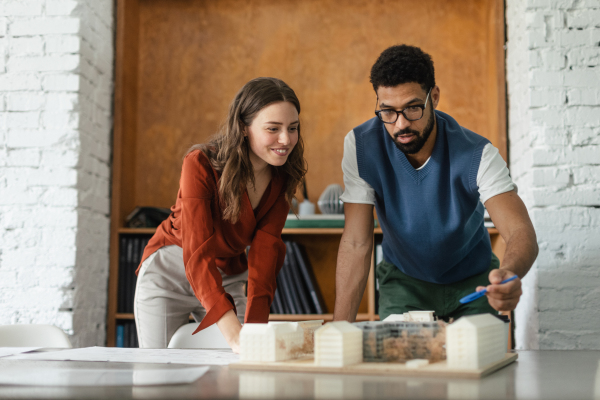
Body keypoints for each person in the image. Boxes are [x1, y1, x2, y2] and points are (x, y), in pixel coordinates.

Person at [333, 45, 538, 322]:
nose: (400, 124)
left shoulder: (478, 154)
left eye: (413, 108)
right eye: (388, 112)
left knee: (477, 363)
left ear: (435, 97)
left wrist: (509, 272)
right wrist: (339, 331)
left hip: (476, 284)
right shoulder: (361, 146)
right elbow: (357, 242)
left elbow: (518, 230)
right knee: (399, 363)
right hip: (404, 283)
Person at [134, 77, 307, 351]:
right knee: (157, 376)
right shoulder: (199, 164)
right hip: (170, 274)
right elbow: (197, 253)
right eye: (273, 128)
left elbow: (265, 254)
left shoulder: (282, 177)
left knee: (240, 367)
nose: (286, 139)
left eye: (293, 128)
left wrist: (253, 332)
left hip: (227, 274)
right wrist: (235, 336)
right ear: (244, 128)